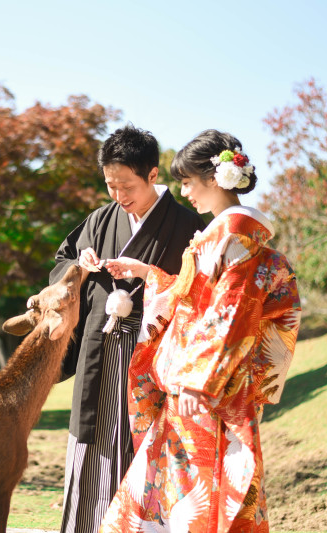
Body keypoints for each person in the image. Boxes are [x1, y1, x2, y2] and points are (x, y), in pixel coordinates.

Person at [99, 129, 301, 533]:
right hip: (199, 386)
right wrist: (148, 274)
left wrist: (198, 383)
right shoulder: (222, 235)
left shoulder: (234, 237)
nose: (186, 192)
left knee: (197, 491)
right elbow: (192, 298)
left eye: (189, 182)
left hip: (209, 393)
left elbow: (230, 315)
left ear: (215, 179)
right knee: (179, 490)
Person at [50, 124, 205, 533]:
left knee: (146, 455)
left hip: (152, 364)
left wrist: (147, 276)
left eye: (127, 186)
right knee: (92, 455)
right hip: (98, 357)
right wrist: (76, 269)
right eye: (110, 186)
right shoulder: (101, 220)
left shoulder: (188, 227)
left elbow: (199, 295)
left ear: (153, 175)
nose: (118, 197)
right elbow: (61, 265)